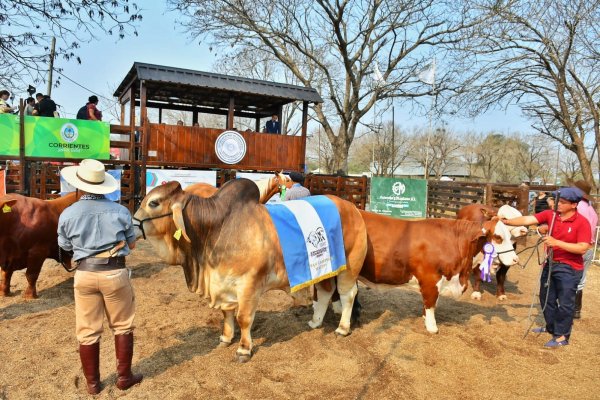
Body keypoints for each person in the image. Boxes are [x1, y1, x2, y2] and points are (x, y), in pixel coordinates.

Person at [57, 159, 142, 394]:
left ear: (80, 184)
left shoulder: (67, 214)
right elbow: (133, 245)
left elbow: (64, 246)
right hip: (115, 272)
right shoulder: (121, 211)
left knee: (87, 330)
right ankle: (124, 377)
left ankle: (93, 384)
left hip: (84, 274)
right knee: (123, 326)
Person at [502, 187, 591, 348]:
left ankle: (562, 336)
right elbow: (528, 219)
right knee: (546, 298)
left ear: (574, 205)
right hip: (550, 264)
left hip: (569, 268)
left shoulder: (582, 222)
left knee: (565, 303)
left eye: (562, 202)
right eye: (557, 201)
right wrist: (507, 222)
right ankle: (552, 328)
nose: (558, 205)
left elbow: (583, 248)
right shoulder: (551, 215)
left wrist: (557, 243)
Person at [572, 180, 598, 319]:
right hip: (588, 247)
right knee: (581, 279)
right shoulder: (591, 210)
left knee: (565, 277)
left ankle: (565, 308)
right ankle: (576, 310)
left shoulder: (577, 208)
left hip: (576, 247)